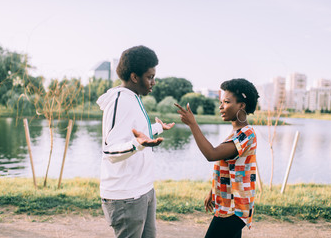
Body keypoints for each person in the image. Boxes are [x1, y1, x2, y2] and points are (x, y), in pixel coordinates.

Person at [96, 45, 174, 238]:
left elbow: (136, 132)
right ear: (134, 77)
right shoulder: (119, 100)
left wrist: (156, 128)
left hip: (144, 189)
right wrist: (137, 145)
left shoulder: (134, 98)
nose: (153, 82)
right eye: (150, 77)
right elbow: (109, 150)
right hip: (126, 196)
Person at [175, 78, 259, 238]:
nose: (220, 107)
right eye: (221, 101)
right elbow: (227, 167)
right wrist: (212, 191)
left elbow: (211, 154)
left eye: (226, 102)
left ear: (241, 105)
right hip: (228, 205)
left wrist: (193, 124)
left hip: (235, 209)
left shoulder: (246, 134)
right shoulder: (236, 133)